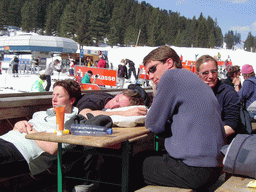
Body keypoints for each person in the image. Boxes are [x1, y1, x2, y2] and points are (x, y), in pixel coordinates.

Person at [131, 45, 225, 191]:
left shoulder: (170, 77)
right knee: (148, 157)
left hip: (195, 169)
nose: (150, 76)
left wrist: (156, 90)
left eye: (152, 69)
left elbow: (153, 124)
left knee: (131, 164)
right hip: (213, 167)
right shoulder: (191, 78)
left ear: (169, 63)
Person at [0, 79, 80, 176]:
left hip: (21, 151)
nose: (54, 99)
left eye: (59, 96)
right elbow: (19, 129)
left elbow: (53, 149)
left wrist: (30, 132)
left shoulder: (70, 123)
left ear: (72, 100)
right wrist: (19, 124)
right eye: (53, 95)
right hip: (5, 139)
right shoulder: (41, 114)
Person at [195, 55, 241, 143]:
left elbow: (231, 126)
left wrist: (204, 136)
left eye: (214, 71)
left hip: (221, 145)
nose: (211, 76)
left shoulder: (228, 93)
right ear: (197, 74)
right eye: (205, 73)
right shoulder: (194, 93)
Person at [76, 87, 148, 117]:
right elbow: (84, 114)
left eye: (119, 107)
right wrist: (124, 113)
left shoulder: (109, 98)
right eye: (116, 100)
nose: (113, 106)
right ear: (117, 95)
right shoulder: (94, 101)